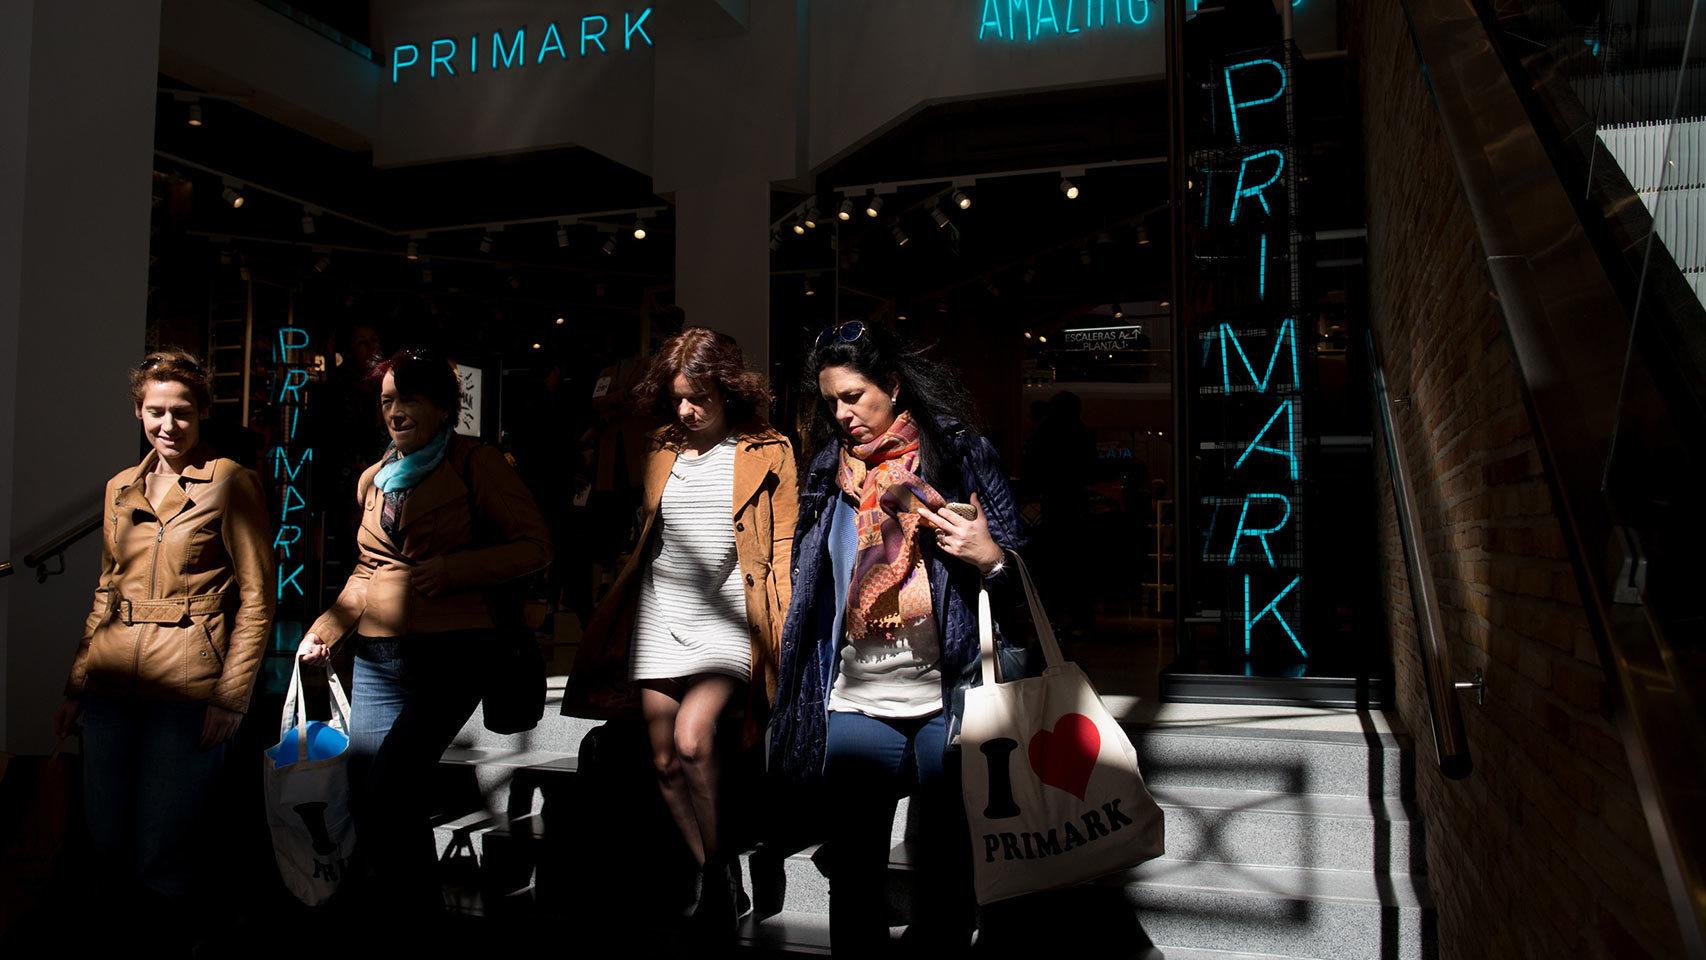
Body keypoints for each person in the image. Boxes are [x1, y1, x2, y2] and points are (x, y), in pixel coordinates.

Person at [770, 320, 1029, 954]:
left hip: (952, 700)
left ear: (891, 384)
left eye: (854, 396)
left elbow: (1021, 570)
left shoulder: (961, 455)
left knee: (946, 883)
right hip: (857, 699)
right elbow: (816, 588)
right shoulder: (829, 472)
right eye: (831, 401)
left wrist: (989, 555)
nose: (843, 414)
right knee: (853, 880)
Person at [297, 346, 551, 922]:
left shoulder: (474, 463)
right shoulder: (375, 476)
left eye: (410, 398)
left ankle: (415, 919)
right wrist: (326, 630)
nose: (396, 411)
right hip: (379, 652)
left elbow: (535, 545)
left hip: (454, 648)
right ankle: (406, 915)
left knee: (391, 786)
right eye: (388, 400)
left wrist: (454, 569)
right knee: (375, 792)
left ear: (442, 406)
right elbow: (366, 571)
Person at [566, 327, 797, 940]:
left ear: (727, 390)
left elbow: (778, 548)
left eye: (699, 397)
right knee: (664, 758)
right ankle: (712, 870)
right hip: (660, 612)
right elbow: (651, 535)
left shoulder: (768, 449)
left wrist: (781, 632)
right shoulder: (662, 447)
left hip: (727, 616)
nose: (687, 410)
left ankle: (721, 862)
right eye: (677, 398)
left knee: (695, 739)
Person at [53, 350, 275, 922]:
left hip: (185, 687)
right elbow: (105, 592)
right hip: (109, 684)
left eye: (181, 412)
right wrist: (77, 685)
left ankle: (165, 959)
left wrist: (232, 695)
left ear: (201, 413)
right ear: (137, 412)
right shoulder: (120, 488)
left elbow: (257, 598)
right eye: (155, 412)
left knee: (164, 849)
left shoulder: (230, 482)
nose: (168, 425)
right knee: (104, 840)